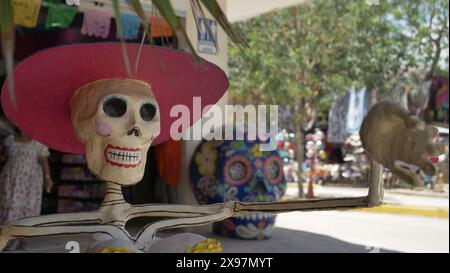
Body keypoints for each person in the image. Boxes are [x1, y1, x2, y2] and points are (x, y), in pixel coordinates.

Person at [0, 127, 53, 226]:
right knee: (9, 202)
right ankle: (9, 233)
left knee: (29, 204)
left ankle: (25, 234)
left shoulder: (38, 143)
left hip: (30, 180)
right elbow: (4, 157)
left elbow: (43, 160)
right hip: (10, 178)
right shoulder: (9, 140)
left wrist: (47, 177)